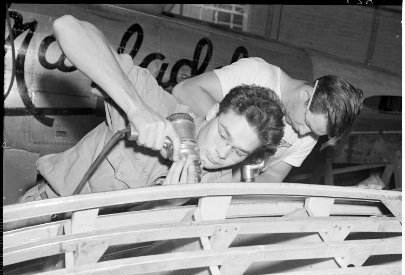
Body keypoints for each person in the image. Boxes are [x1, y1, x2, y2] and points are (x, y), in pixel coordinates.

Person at [11, 15, 285, 229]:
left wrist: (166, 207)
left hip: (96, 249)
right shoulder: (156, 104)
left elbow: (141, 247)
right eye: (223, 135)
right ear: (213, 113)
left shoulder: (221, 184)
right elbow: (67, 27)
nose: (222, 153)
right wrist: (135, 108)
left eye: (238, 151)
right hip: (43, 215)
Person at [172, 57, 364, 183]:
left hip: (214, 193)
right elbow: (184, 90)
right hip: (178, 163)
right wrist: (231, 135)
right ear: (305, 95)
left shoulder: (310, 134)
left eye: (314, 132)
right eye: (307, 123)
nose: (304, 133)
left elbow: (273, 175)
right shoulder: (258, 74)